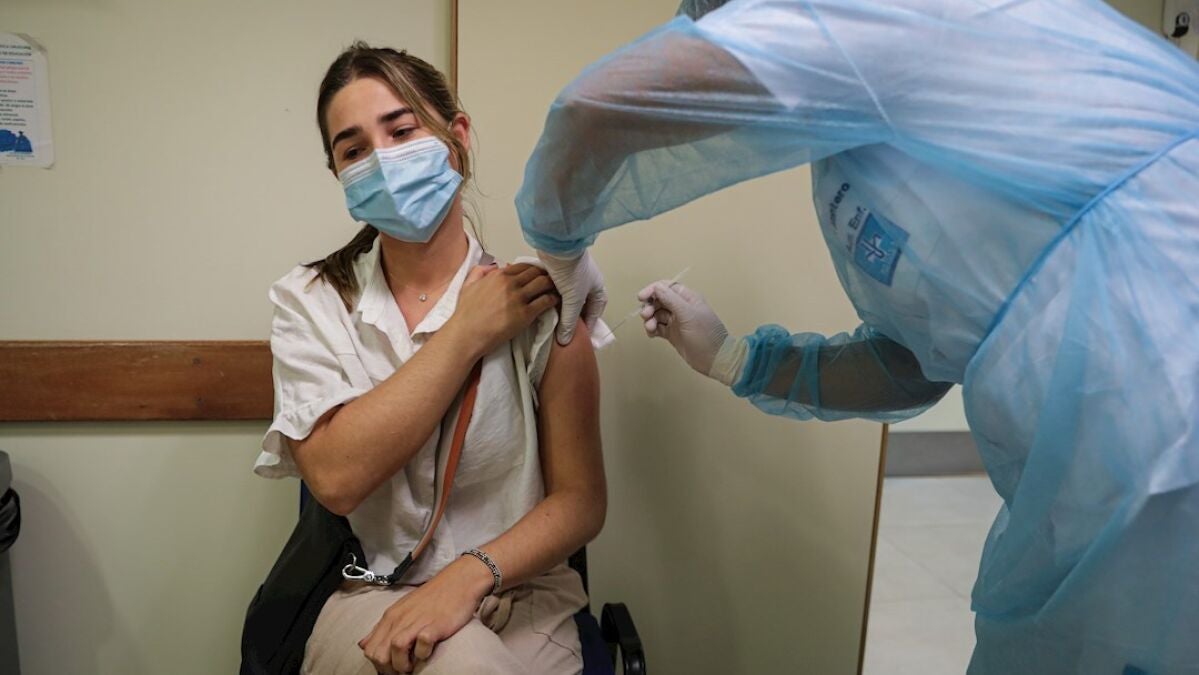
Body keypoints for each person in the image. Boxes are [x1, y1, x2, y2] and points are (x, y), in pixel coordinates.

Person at [516, 1, 1199, 673]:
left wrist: (559, 245)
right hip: (1087, 459)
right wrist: (735, 358)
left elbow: (595, 109)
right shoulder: (857, 149)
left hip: (1165, 387)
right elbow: (914, 361)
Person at [253, 43, 606, 675]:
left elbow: (581, 501)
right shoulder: (311, 301)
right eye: (354, 150)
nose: (383, 161)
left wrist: (468, 576)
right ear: (338, 174)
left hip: (522, 597)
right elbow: (335, 479)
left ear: (457, 139)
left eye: (402, 131)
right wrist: (465, 332)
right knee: (462, 660)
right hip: (370, 596)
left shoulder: (540, 304)